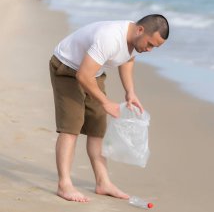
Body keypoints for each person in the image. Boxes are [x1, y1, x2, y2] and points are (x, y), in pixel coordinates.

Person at [49, 14, 169, 202]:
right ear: (140, 30)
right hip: (67, 67)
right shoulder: (110, 38)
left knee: (97, 128)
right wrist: (105, 102)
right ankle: (64, 184)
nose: (150, 49)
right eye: (151, 44)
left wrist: (130, 92)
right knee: (71, 127)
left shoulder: (137, 41)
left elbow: (128, 59)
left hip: (92, 73)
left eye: (155, 47)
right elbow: (82, 75)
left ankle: (103, 182)